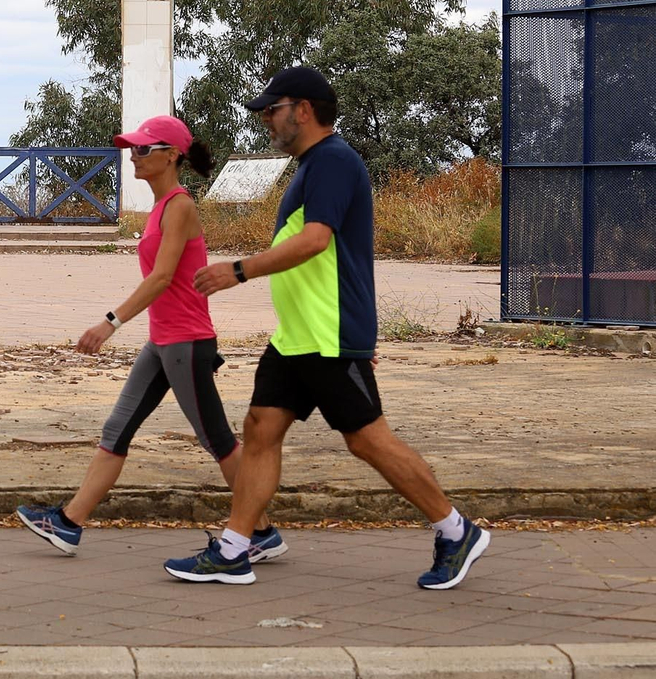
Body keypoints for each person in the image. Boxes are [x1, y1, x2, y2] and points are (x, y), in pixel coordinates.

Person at [164, 66, 489, 590]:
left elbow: (315, 240)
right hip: (298, 335)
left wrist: (240, 270)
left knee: (367, 441)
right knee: (260, 429)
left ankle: (456, 531)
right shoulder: (312, 165)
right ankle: (235, 548)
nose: (266, 120)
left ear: (304, 110)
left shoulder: (334, 161)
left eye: (273, 110)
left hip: (331, 333)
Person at [15, 115, 282, 563]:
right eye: (133, 149)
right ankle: (69, 522)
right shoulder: (159, 207)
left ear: (172, 154)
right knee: (116, 430)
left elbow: (161, 278)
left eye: (143, 149)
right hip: (163, 341)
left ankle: (260, 532)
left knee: (218, 441)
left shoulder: (180, 205)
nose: (134, 156)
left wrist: (110, 322)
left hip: (187, 341)